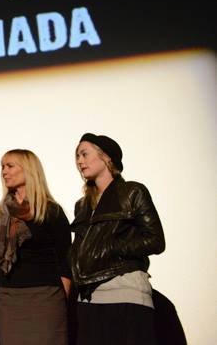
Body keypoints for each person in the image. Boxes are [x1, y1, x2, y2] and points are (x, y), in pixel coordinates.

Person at [70, 133, 165, 345]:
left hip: (126, 295)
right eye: (77, 156)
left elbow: (156, 240)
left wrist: (111, 247)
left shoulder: (132, 192)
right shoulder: (82, 205)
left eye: (84, 154)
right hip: (88, 300)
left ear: (106, 158)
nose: (79, 161)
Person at [0, 149, 72, 345]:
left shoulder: (51, 211)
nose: (4, 171)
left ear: (29, 170)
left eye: (10, 166)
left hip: (46, 297)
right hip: (10, 297)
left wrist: (61, 299)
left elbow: (66, 259)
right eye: (2, 167)